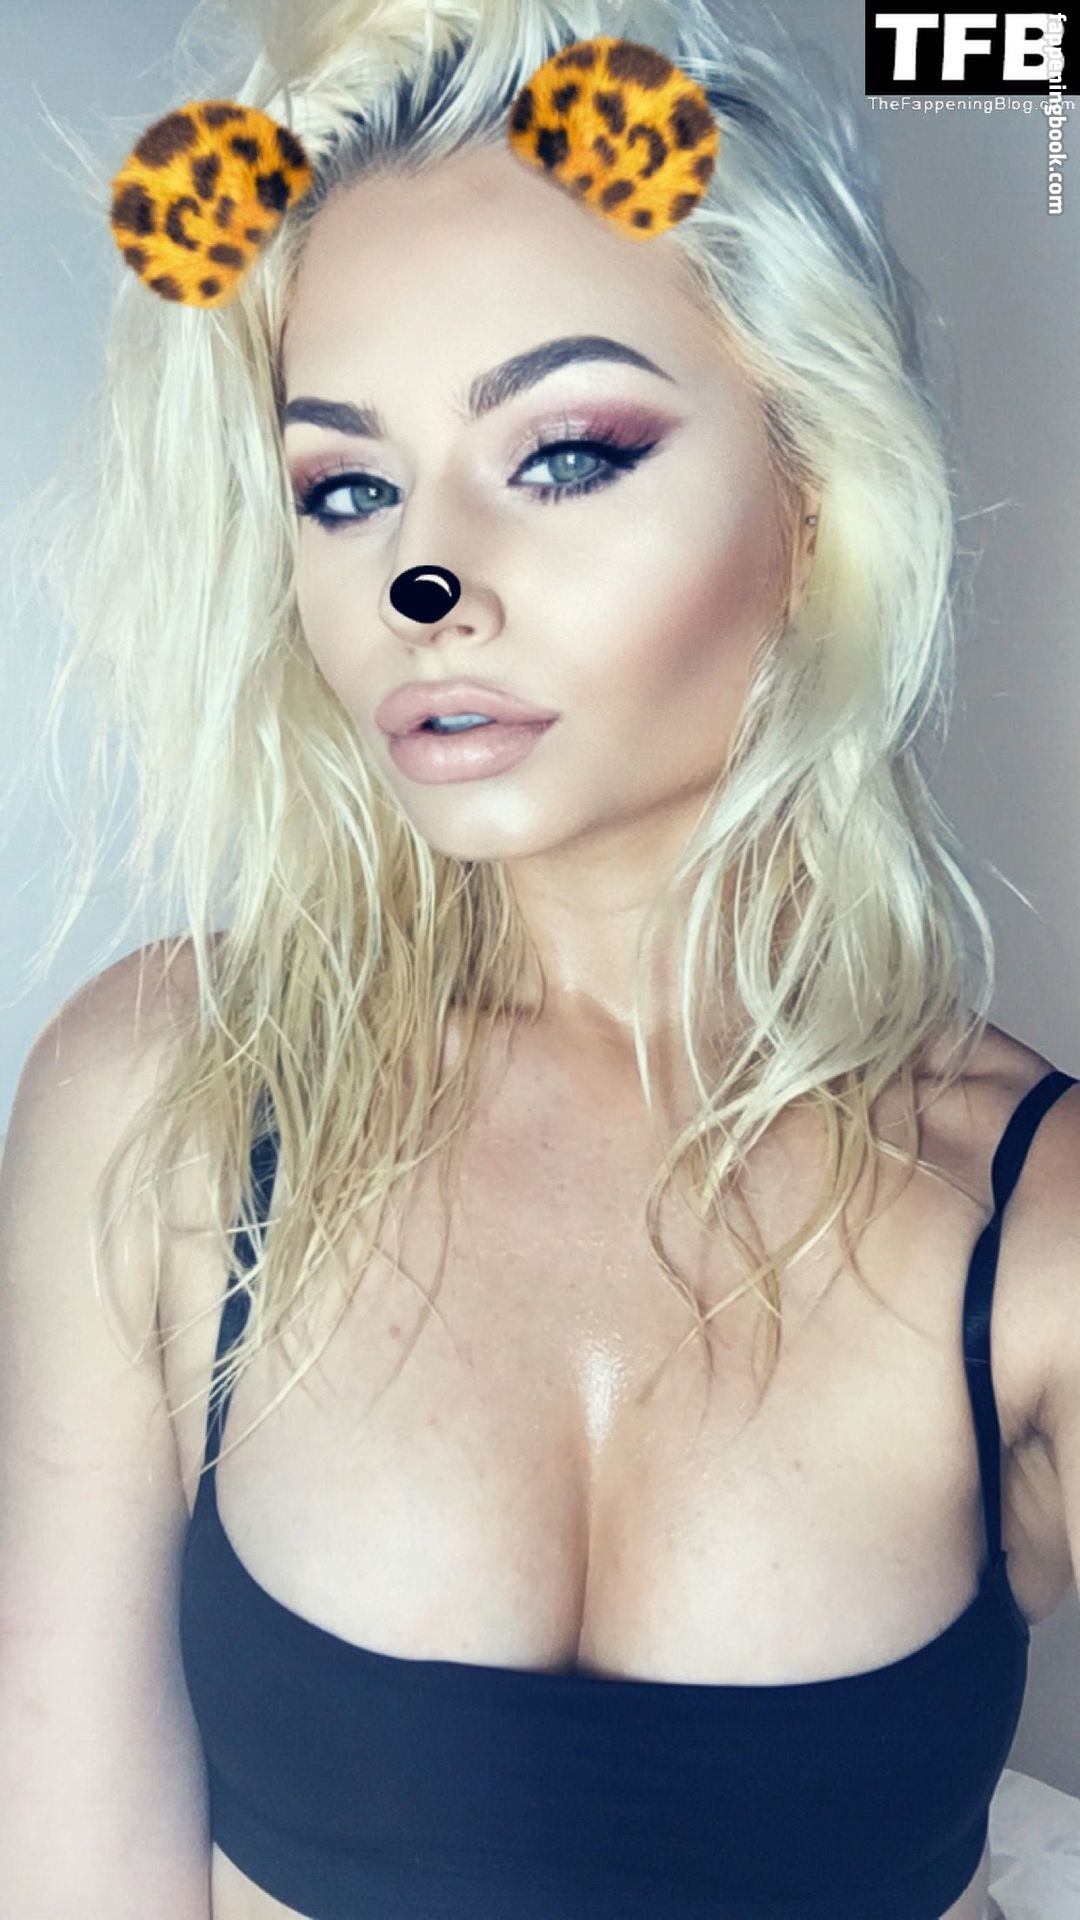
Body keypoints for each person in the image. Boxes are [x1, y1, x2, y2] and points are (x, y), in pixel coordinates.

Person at [0, 1, 1077, 1917]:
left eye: (564, 455)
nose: (425, 582)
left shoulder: (1042, 1223)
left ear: (811, 491)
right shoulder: (166, 1101)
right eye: (348, 487)